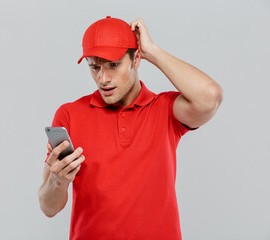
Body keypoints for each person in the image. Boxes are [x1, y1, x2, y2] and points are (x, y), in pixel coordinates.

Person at [38, 16, 223, 240]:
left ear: (136, 59)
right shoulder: (69, 114)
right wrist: (58, 181)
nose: (103, 78)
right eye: (95, 67)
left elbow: (210, 97)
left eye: (113, 65)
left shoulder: (164, 110)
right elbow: (49, 208)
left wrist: (152, 51)